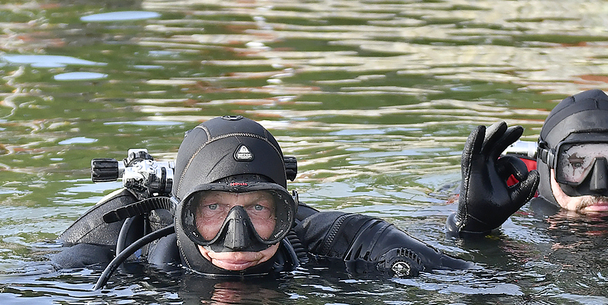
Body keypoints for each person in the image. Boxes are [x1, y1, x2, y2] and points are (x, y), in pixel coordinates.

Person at [52, 115, 473, 282]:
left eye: (258, 208)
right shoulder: (102, 257)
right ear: (181, 212)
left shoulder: (320, 240)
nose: (239, 238)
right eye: (213, 208)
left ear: (285, 210)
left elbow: (469, 284)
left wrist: (471, 227)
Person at [447, 89, 608, 237]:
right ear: (547, 166)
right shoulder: (494, 197)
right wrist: (471, 230)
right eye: (577, 164)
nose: (599, 185)